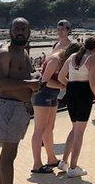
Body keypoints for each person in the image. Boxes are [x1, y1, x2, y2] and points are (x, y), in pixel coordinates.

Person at [0, 17, 40, 184]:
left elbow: (22, 79)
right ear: (10, 31)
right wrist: (28, 83)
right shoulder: (4, 54)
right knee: (8, 156)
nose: (20, 31)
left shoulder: (23, 54)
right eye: (17, 28)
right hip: (8, 108)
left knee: (7, 155)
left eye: (24, 29)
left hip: (19, 108)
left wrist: (33, 82)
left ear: (29, 33)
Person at [29, 32, 71, 174]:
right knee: (39, 130)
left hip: (52, 96)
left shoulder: (61, 60)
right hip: (43, 95)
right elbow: (45, 81)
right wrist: (63, 86)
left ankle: (51, 158)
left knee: (49, 128)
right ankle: (36, 164)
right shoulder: (55, 60)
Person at [57, 39, 95, 178]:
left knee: (74, 129)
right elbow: (92, 83)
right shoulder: (91, 59)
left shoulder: (71, 57)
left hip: (72, 91)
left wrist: (70, 85)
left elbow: (61, 77)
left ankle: (64, 161)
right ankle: (73, 166)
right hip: (84, 93)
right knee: (80, 132)